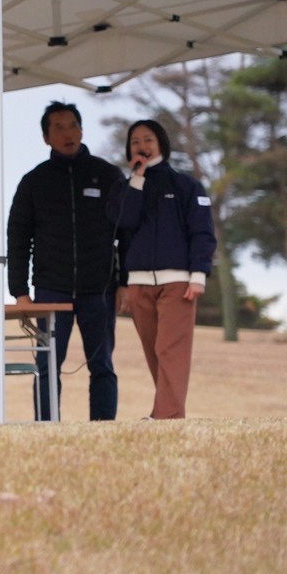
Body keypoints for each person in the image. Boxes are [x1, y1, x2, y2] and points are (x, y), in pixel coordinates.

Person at [7, 101, 124, 422]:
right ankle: (47, 429)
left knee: (102, 365)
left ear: (82, 131)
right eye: (58, 128)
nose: (67, 133)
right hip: (50, 290)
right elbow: (17, 239)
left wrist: (124, 282)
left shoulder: (108, 175)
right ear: (46, 137)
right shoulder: (34, 182)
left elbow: (126, 233)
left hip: (99, 289)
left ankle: (104, 430)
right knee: (47, 365)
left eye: (73, 125)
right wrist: (20, 293)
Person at [107, 119, 217, 420]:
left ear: (161, 144)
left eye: (148, 140)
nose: (142, 146)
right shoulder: (126, 188)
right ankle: (171, 415)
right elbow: (123, 222)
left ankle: (165, 417)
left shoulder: (186, 185)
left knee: (171, 350)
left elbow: (202, 232)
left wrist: (198, 275)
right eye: (135, 142)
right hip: (138, 283)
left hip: (178, 283)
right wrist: (137, 179)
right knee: (155, 350)